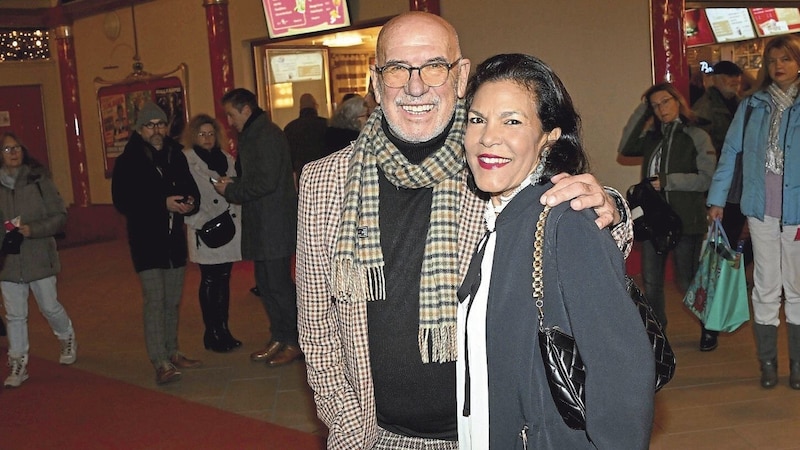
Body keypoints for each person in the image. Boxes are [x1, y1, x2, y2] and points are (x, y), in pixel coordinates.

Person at [296, 11, 632, 449]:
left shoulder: (491, 160)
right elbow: (317, 328)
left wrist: (611, 206)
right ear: (377, 83)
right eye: (397, 68)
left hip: (492, 434)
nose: (416, 87)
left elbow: (584, 224)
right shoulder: (324, 182)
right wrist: (347, 430)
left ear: (460, 75)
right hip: (374, 437)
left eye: (434, 66)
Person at [457, 52, 654, 450]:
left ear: (549, 135)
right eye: (477, 119)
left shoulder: (567, 221)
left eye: (512, 121)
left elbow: (623, 368)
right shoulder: (497, 219)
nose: (487, 136)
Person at [707, 34, 800, 390]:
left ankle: (796, 366)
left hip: (797, 211)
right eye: (773, 60)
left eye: (786, 59)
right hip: (760, 208)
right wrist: (717, 200)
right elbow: (730, 153)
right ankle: (768, 364)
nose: (778, 66)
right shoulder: (752, 105)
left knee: (795, 285)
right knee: (764, 284)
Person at [620, 82, 717, 350]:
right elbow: (626, 146)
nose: (661, 109)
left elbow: (706, 178)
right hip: (654, 221)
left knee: (687, 279)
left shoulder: (696, 134)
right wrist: (643, 109)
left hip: (686, 219)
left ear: (678, 101)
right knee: (651, 281)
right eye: (655, 105)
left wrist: (667, 181)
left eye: (665, 101)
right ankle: (657, 333)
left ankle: (709, 325)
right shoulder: (653, 137)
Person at [112, 102, 203, 385]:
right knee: (155, 301)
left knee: (173, 301)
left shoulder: (175, 154)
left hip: (174, 240)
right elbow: (124, 201)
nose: (157, 130)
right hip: (146, 242)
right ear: (140, 129)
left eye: (161, 124)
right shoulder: (128, 160)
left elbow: (191, 188)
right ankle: (159, 360)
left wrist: (190, 203)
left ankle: (172, 350)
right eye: (150, 125)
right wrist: (162, 203)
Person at [214, 88, 301, 367]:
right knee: (266, 284)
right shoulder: (255, 134)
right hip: (264, 224)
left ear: (246, 110)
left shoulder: (265, 135)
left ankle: (295, 340)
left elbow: (265, 182)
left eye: (231, 114)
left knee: (278, 286)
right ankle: (280, 335)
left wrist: (232, 189)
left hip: (273, 224)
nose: (229, 121)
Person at [0, 132, 76, 388]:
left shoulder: (39, 179)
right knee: (15, 315)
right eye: (7, 149)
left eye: (17, 148)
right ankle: (18, 362)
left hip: (38, 255)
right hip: (8, 261)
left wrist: (33, 230)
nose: (13, 153)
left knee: (49, 306)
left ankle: (65, 335)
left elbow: (59, 216)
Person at [181, 114, 242, 353]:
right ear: (193, 136)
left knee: (224, 279)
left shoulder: (226, 158)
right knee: (209, 279)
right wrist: (196, 219)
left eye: (210, 133)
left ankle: (224, 328)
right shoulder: (186, 159)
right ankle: (212, 332)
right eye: (201, 134)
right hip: (205, 227)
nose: (206, 138)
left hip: (227, 224)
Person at [693, 60, 753, 275]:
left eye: (737, 78)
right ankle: (725, 277)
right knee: (726, 232)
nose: (735, 82)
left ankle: (732, 274)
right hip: (722, 179)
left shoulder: (744, 103)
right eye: (729, 77)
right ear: (716, 79)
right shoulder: (704, 106)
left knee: (744, 233)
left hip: (742, 180)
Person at [283, 92, 327, 181]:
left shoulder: (290, 128)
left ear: (300, 107)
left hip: (302, 175)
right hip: (324, 173)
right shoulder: (326, 124)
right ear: (315, 106)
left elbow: (288, 159)